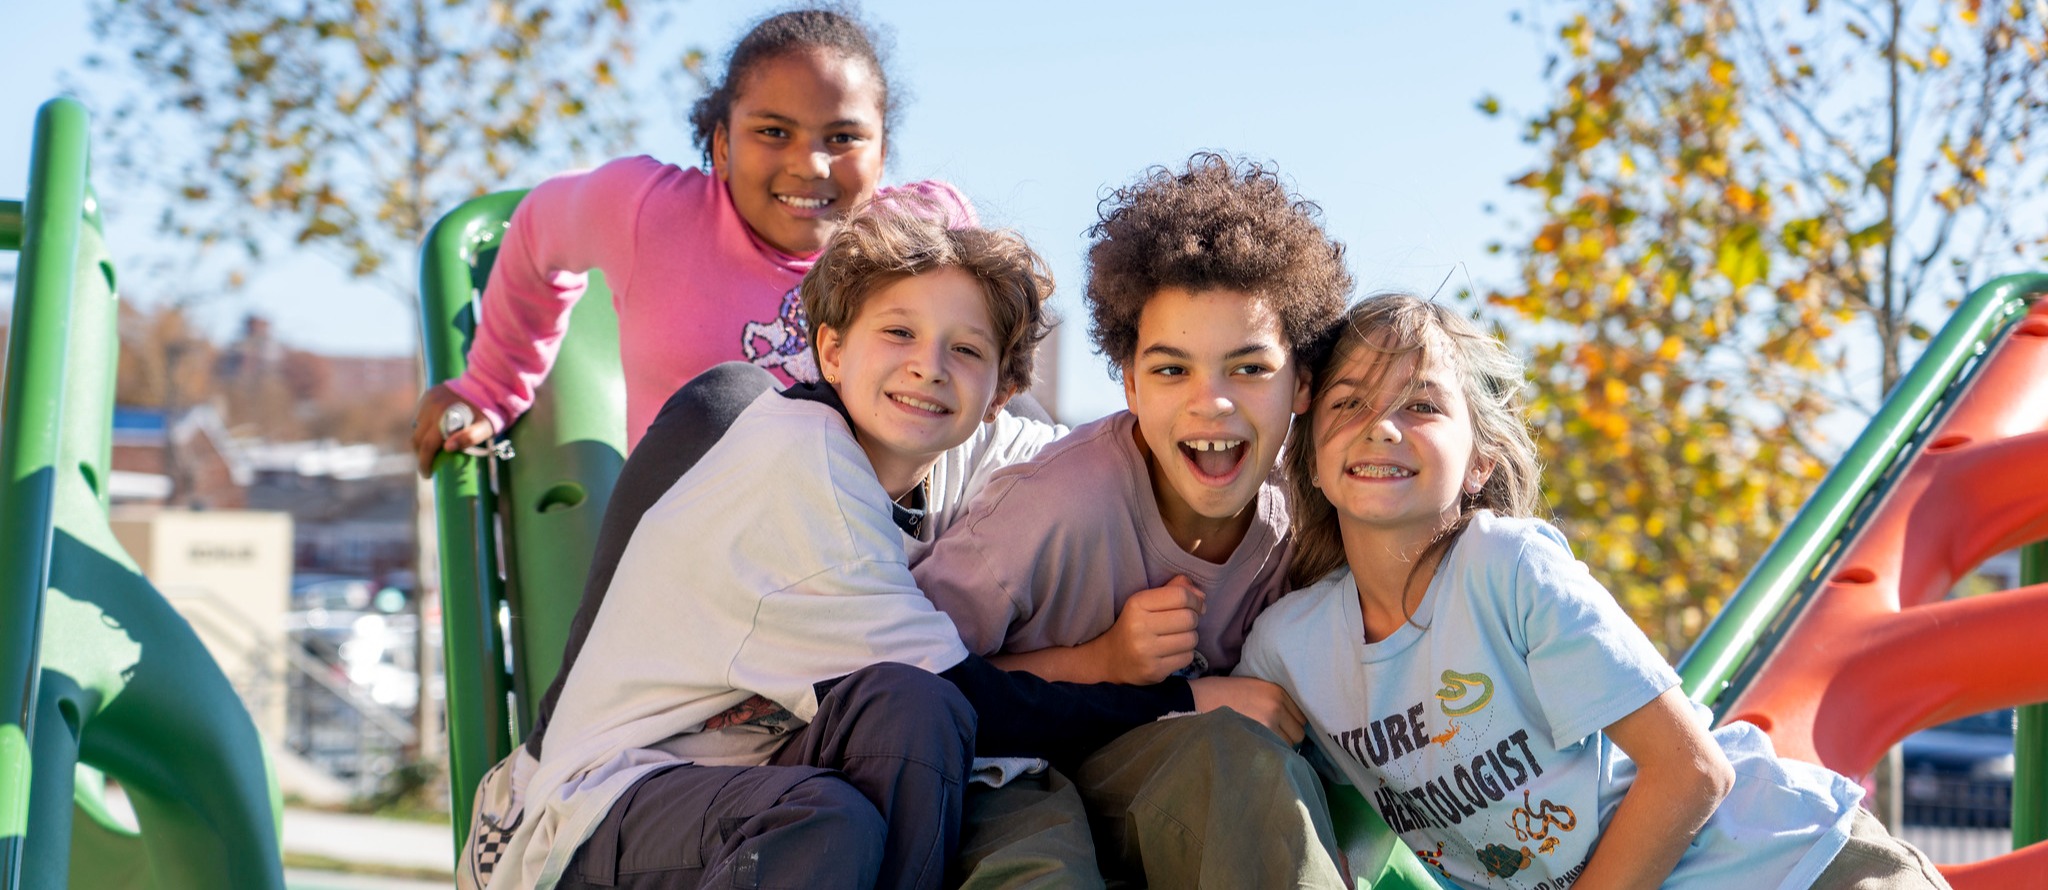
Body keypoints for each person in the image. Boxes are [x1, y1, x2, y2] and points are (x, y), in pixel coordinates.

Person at [464, 208, 1198, 890]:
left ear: (997, 391)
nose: (929, 367)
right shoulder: (798, 465)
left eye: (966, 350)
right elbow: (984, 705)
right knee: (831, 812)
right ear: (833, 352)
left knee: (907, 706)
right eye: (899, 334)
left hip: (746, 776)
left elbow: (1105, 457)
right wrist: (1181, 699)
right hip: (599, 812)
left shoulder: (948, 448)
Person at [1235, 294, 1951, 889]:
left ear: (1480, 461)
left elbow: (1692, 771)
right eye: (1348, 404)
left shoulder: (1505, 568)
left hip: (1799, 867)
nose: (1381, 427)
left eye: (1421, 404)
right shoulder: (1290, 648)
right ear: (1315, 466)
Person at [914, 153, 1352, 887]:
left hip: (1153, 776)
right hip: (1006, 776)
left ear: (1302, 382)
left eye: (1248, 368)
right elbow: (917, 689)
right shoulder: (1052, 508)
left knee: (1242, 766)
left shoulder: (1308, 518)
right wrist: (1110, 666)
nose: (1210, 403)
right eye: (1171, 369)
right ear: (1128, 383)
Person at [410, 6, 1048, 474]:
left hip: (858, 553)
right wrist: (493, 385)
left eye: (844, 138)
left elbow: (987, 360)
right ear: (720, 143)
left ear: (883, 157)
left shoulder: (915, 240)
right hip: (690, 553)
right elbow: (534, 232)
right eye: (774, 132)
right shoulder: (646, 213)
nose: (812, 165)